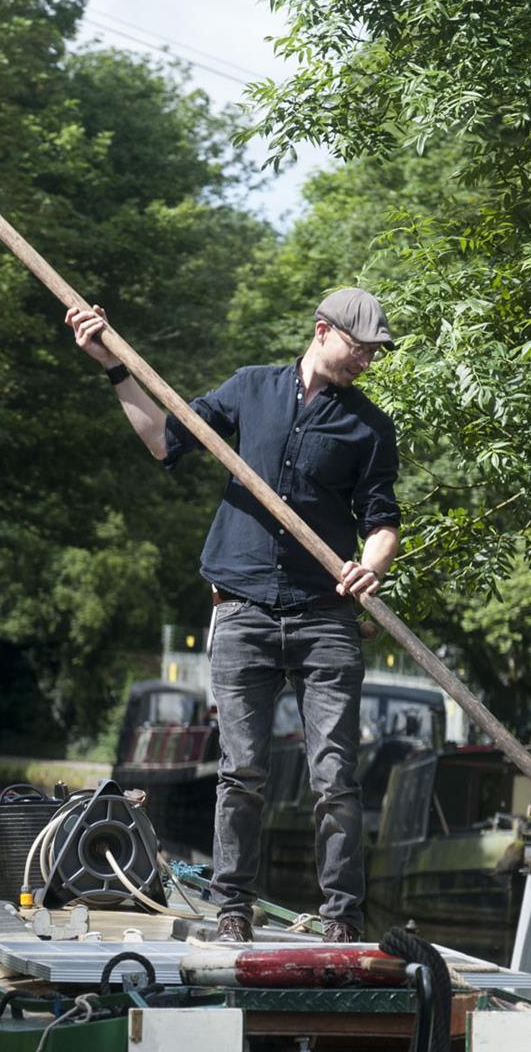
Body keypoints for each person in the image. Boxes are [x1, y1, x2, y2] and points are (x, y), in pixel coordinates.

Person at [67, 288, 400, 943]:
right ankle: (231, 913)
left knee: (334, 777)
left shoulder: (369, 427)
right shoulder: (250, 389)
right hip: (240, 611)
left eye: (372, 352)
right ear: (322, 331)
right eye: (359, 347)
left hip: (323, 616)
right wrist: (110, 364)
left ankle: (340, 920)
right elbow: (165, 442)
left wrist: (372, 564)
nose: (367, 360)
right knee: (241, 772)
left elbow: (383, 522)